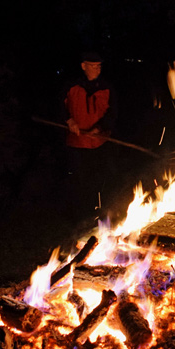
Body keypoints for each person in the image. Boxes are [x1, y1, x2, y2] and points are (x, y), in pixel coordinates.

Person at [58, 50, 118, 224]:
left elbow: (112, 112)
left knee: (100, 178)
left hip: (99, 142)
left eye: (99, 66)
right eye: (93, 66)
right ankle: (81, 217)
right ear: (83, 66)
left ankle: (102, 213)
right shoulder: (71, 86)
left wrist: (100, 128)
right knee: (79, 180)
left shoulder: (106, 88)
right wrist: (69, 120)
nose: (97, 70)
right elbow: (59, 107)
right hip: (77, 143)